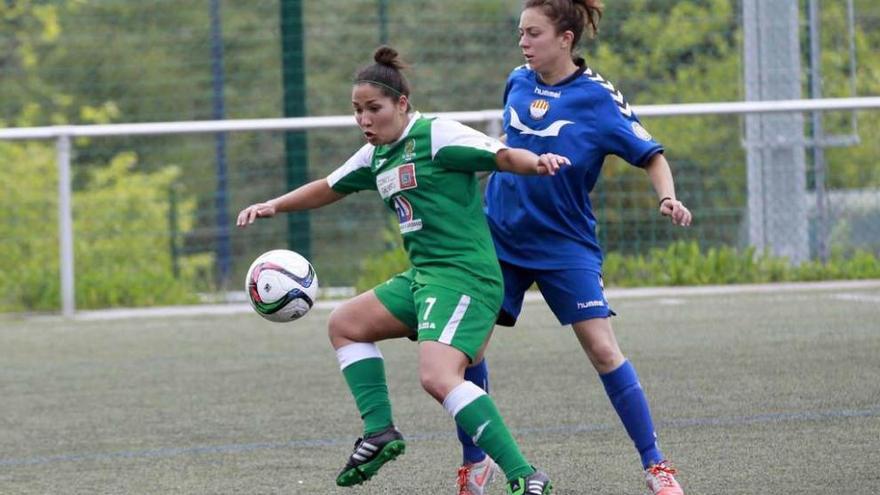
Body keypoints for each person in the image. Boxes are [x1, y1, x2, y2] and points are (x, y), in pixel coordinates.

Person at [237, 46, 568, 495]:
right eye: (357, 111)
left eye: (374, 108)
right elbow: (328, 187)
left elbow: (501, 155)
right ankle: (379, 432)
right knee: (346, 324)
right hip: (425, 277)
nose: (364, 119)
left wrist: (537, 162)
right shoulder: (375, 157)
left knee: (437, 377)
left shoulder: (436, 135)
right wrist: (273, 205)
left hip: (465, 276)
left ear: (402, 105)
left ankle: (525, 476)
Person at [452, 2, 693, 495]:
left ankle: (656, 465)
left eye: (533, 33)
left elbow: (653, 154)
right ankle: (474, 463)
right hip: (499, 237)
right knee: (468, 348)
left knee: (604, 351)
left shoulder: (598, 98)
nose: (523, 42)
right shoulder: (516, 81)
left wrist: (668, 197)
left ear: (566, 39)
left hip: (565, 245)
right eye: (520, 32)